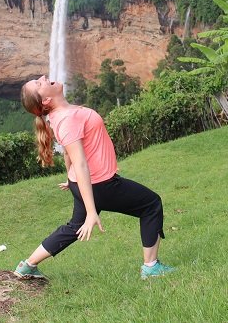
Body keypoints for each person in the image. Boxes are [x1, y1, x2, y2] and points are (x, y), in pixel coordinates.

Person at [14, 75, 175, 280]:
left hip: (85, 184)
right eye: (38, 84)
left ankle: (28, 265)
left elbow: (67, 153)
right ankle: (151, 267)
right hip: (100, 184)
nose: (43, 77)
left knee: (74, 227)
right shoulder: (67, 119)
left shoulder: (62, 114)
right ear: (45, 101)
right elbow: (80, 163)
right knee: (151, 204)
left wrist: (70, 178)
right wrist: (91, 211)